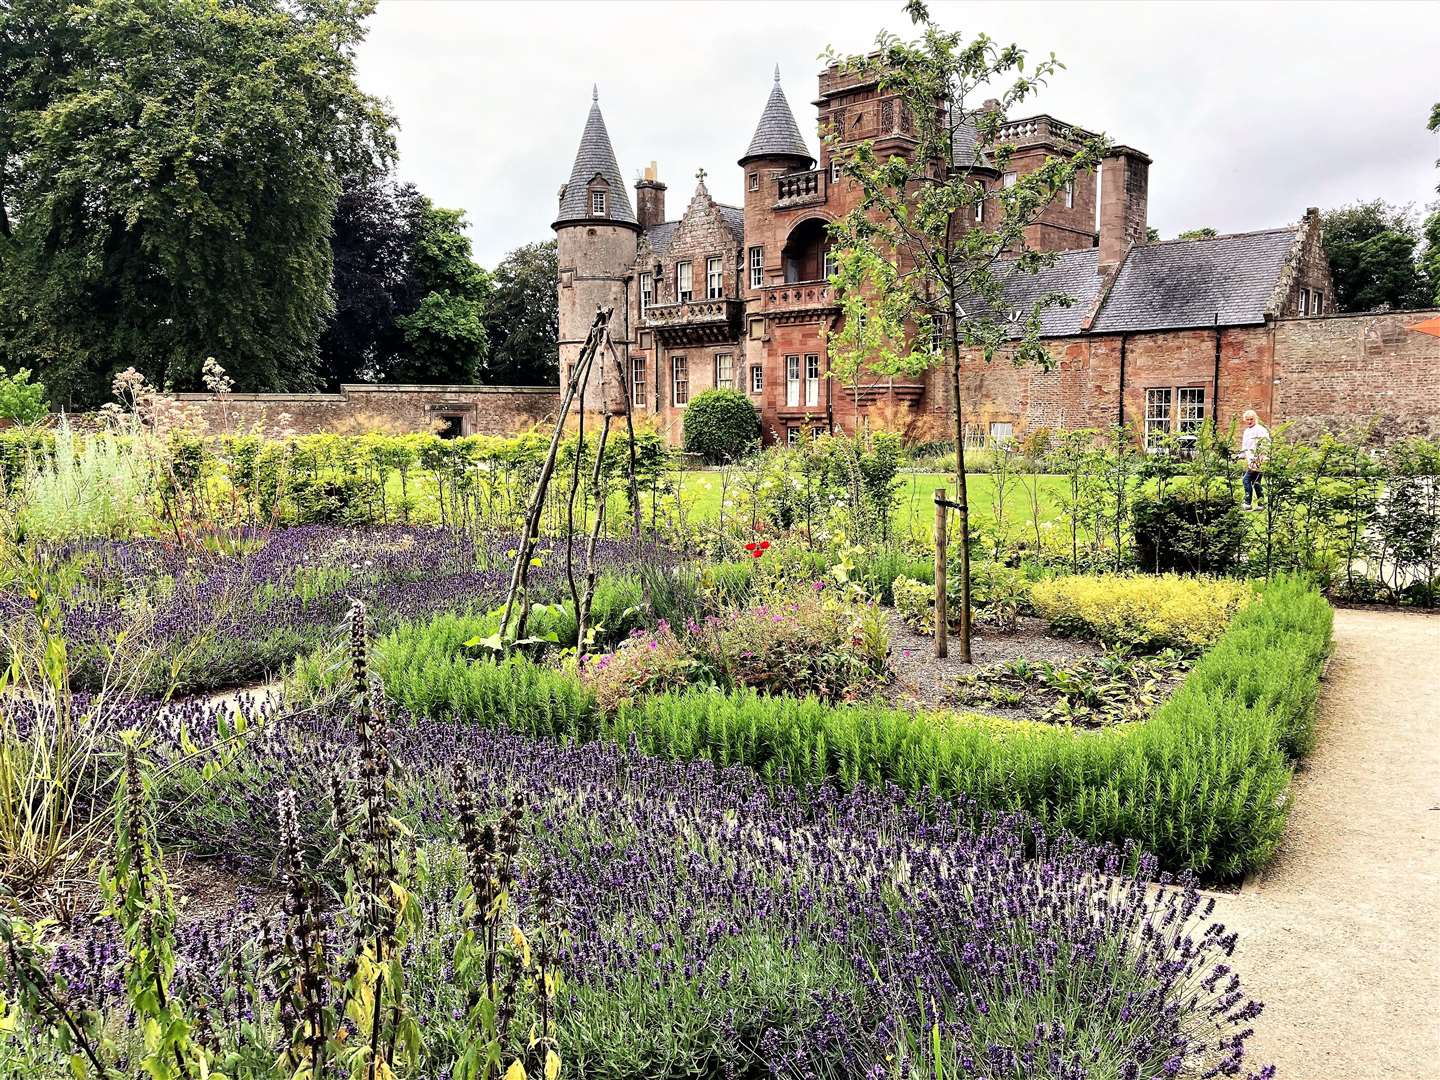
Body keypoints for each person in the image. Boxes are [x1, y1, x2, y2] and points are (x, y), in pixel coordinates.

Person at [1238, 409, 1269, 510]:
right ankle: (1261, 504)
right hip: (1251, 460)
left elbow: (1266, 444)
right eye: (1247, 419)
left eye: (1251, 419)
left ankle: (1247, 503)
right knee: (1256, 482)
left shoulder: (1260, 430)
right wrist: (1239, 456)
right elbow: (1245, 447)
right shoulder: (1247, 431)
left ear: (1255, 419)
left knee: (1246, 480)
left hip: (1258, 460)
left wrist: (1260, 458)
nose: (1249, 421)